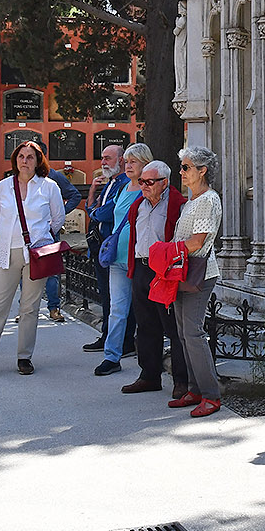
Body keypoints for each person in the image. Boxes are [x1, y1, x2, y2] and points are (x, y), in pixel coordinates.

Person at [0, 140, 66, 377]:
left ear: (38, 161)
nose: (25, 161)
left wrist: (40, 237)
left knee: (30, 308)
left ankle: (24, 357)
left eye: (30, 157)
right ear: (15, 160)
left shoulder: (49, 187)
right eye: (21, 156)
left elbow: (58, 219)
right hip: (7, 252)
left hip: (36, 254)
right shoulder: (5, 186)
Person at [121, 161, 189, 398]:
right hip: (141, 267)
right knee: (146, 324)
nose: (144, 186)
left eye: (149, 182)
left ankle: (182, 380)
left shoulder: (177, 205)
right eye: (142, 181)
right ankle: (149, 376)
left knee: (172, 327)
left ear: (164, 182)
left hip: (163, 271)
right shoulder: (139, 205)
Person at [168, 146, 224, 417]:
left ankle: (211, 395)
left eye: (186, 167)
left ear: (202, 170)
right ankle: (195, 390)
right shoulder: (194, 200)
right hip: (184, 272)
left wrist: (167, 252)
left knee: (193, 333)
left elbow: (197, 242)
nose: (181, 172)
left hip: (199, 273)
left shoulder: (207, 200)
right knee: (184, 333)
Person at [93, 144, 151, 375]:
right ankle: (112, 356)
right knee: (117, 309)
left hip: (141, 259)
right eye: (127, 161)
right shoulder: (122, 188)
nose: (128, 165)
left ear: (146, 163)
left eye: (133, 161)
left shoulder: (150, 190)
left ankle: (149, 360)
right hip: (118, 258)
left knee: (145, 310)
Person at [82, 144, 128, 353]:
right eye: (102, 158)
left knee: (114, 298)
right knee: (106, 296)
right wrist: (92, 190)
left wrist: (95, 211)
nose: (103, 163)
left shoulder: (123, 184)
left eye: (108, 158)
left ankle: (117, 339)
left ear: (121, 160)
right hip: (100, 247)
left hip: (112, 247)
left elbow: (104, 213)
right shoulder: (110, 182)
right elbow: (92, 208)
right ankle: (107, 335)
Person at [40, 158, 84, 322]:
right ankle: (25, 309)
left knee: (52, 271)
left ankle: (54, 308)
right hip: (27, 233)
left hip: (50, 231)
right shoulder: (22, 179)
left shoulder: (53, 177)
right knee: (26, 270)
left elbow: (74, 195)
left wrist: (60, 214)